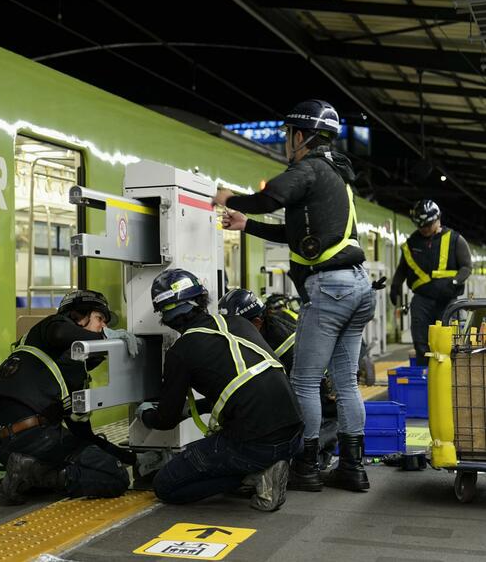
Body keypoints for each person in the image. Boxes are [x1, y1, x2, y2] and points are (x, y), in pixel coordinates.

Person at [212, 99, 375, 493]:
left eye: (289, 135)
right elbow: (294, 233)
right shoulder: (337, 175)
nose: (288, 142)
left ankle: (305, 467)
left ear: (299, 136)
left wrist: (228, 198)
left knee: (304, 381)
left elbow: (271, 198)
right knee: (346, 383)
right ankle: (353, 468)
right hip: (358, 287)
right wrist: (246, 224)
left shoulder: (309, 168)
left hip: (331, 288)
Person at [137, 269, 303, 512]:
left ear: (165, 316)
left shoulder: (180, 352)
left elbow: (165, 420)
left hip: (257, 445)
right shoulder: (240, 323)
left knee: (166, 485)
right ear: (202, 299)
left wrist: (145, 414)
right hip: (294, 435)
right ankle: (264, 466)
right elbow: (248, 384)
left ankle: (255, 475)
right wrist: (192, 410)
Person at [0, 289, 138, 504]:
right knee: (114, 477)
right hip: (35, 437)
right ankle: (39, 474)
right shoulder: (50, 328)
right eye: (100, 319)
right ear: (78, 316)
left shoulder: (66, 369)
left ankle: (29, 468)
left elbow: (82, 434)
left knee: (93, 459)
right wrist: (103, 337)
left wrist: (131, 458)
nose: (104, 327)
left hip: (2, 444)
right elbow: (60, 333)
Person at [220, 288, 338, 467]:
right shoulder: (261, 333)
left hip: (320, 408)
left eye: (235, 326)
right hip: (304, 399)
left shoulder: (282, 344)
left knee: (292, 446)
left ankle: (312, 456)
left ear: (257, 322)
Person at [389, 200, 472, 365]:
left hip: (448, 300)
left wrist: (455, 282)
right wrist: (395, 285)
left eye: (428, 225)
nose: (424, 229)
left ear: (438, 218)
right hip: (422, 300)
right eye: (421, 226)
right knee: (421, 340)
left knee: (449, 340)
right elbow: (402, 270)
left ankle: (452, 376)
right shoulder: (412, 243)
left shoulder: (455, 239)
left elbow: (466, 267)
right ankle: (425, 376)